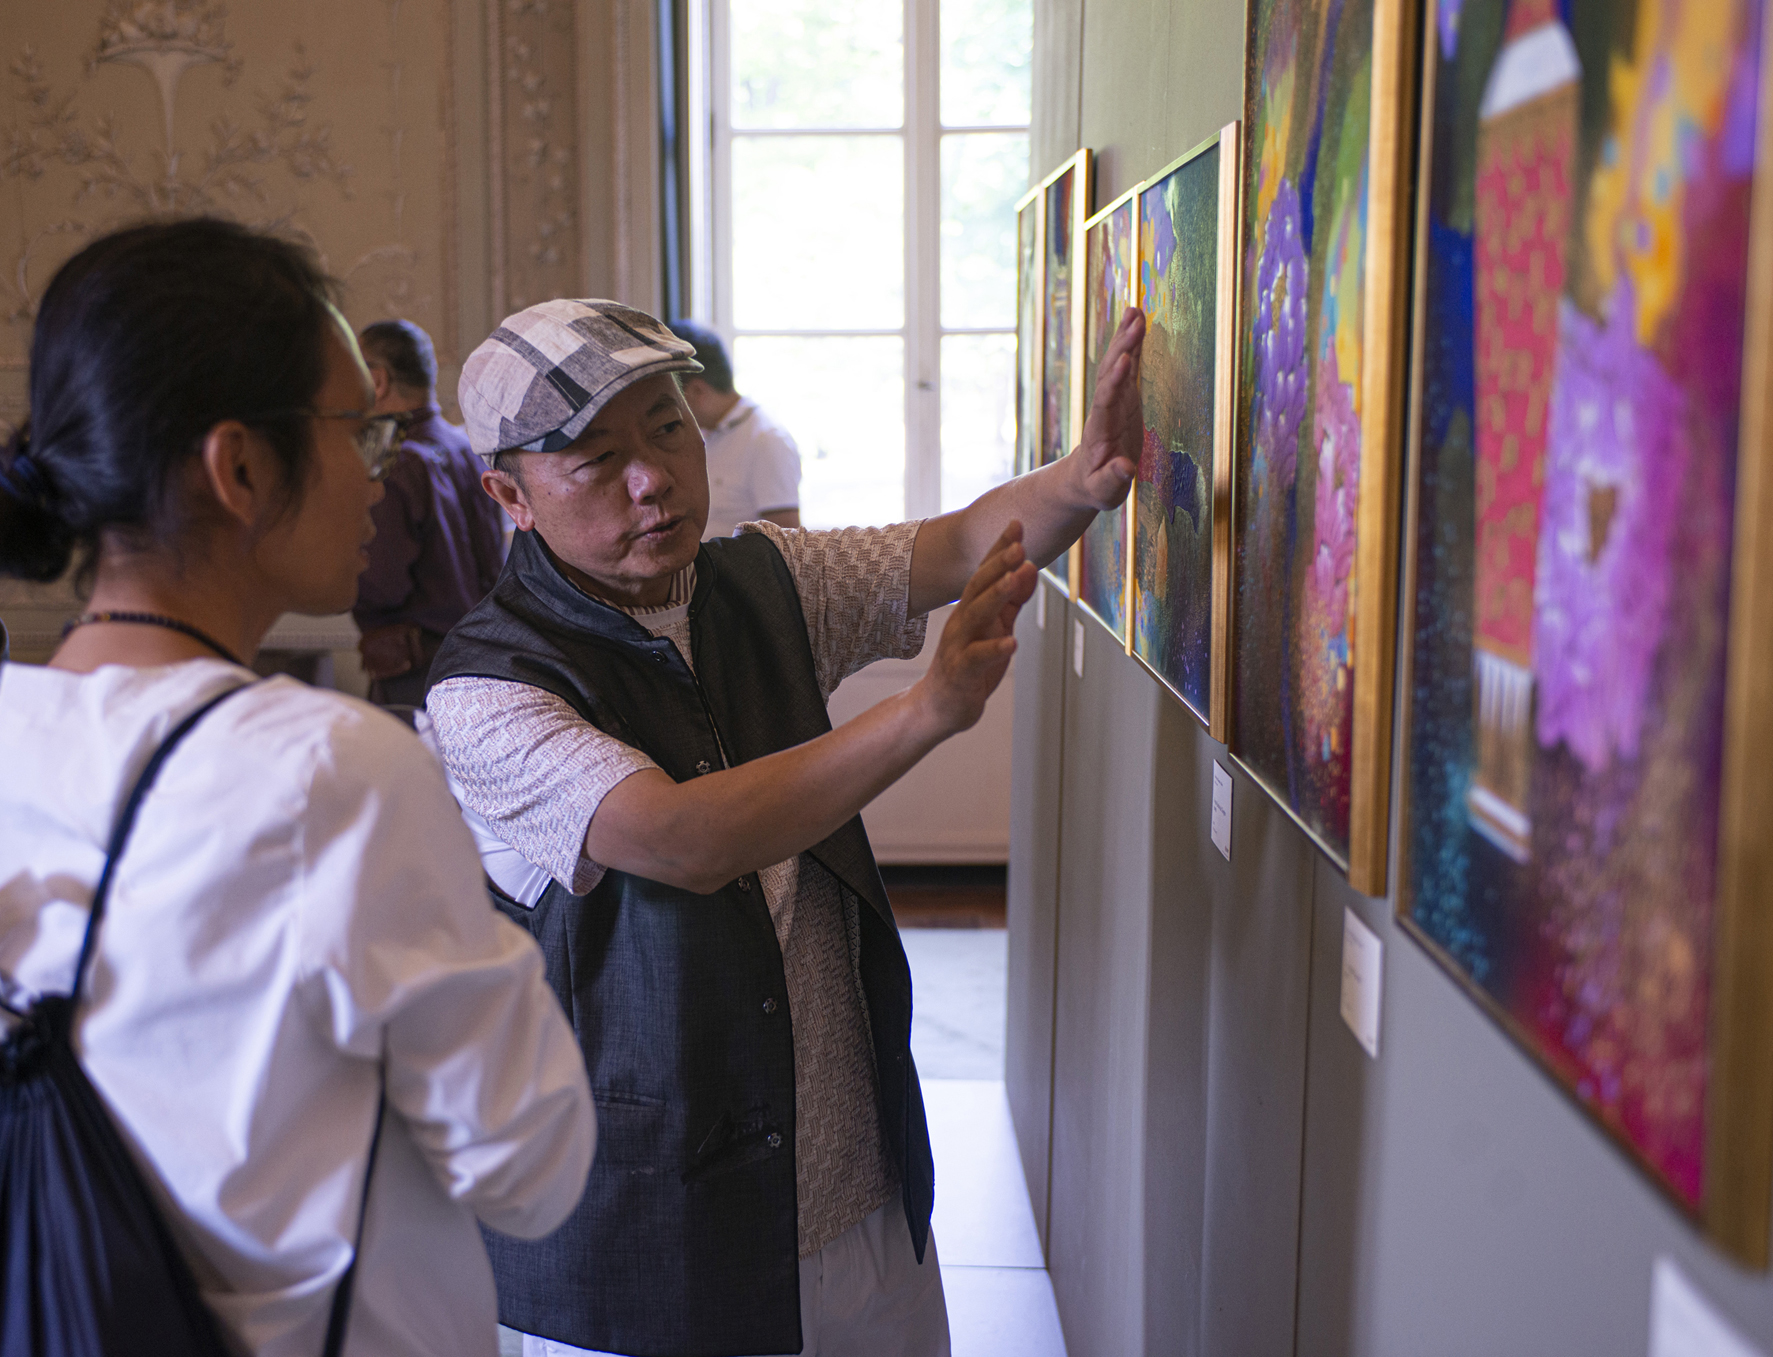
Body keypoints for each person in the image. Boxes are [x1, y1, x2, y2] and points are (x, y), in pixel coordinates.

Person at [425, 297, 1145, 1357]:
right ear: (509, 494)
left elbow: (958, 545)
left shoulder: (763, 579)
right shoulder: (486, 689)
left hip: (850, 1183)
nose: (652, 478)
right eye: (597, 459)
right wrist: (926, 711)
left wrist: (1080, 479)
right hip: (653, 1225)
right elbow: (682, 839)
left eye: (668, 427)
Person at [0, 219, 595, 1357]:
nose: (380, 469)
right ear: (241, 468)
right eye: (358, 430)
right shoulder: (327, 769)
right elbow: (528, 1168)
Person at [353, 318, 507, 705]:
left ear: (377, 381)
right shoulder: (467, 447)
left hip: (420, 676)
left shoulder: (395, 463)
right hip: (488, 658)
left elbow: (383, 585)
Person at [667, 319, 802, 536]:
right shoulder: (701, 433)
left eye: (671, 396)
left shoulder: (766, 440)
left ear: (698, 391)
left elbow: (784, 543)